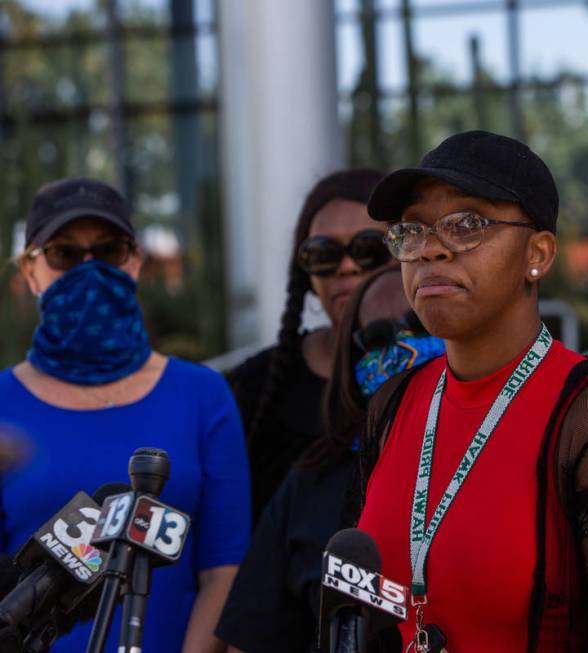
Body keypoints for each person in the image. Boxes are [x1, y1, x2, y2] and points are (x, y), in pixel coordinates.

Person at [358, 130, 588, 652]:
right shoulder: (393, 404)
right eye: (414, 230)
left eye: (466, 224)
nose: (431, 250)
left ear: (537, 253)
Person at [0, 177, 251, 652]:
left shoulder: (204, 396)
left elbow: (225, 570)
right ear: (30, 271)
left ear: (134, 261)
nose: (89, 270)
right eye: (65, 254)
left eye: (109, 250)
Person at [215, 267, 444, 653]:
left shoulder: (510, 458)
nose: (402, 347)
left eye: (418, 326)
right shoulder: (309, 484)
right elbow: (251, 637)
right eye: (377, 337)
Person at [228, 169, 390, 522]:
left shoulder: (450, 373)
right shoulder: (254, 383)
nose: (347, 267)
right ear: (306, 272)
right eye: (324, 254)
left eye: (368, 249)